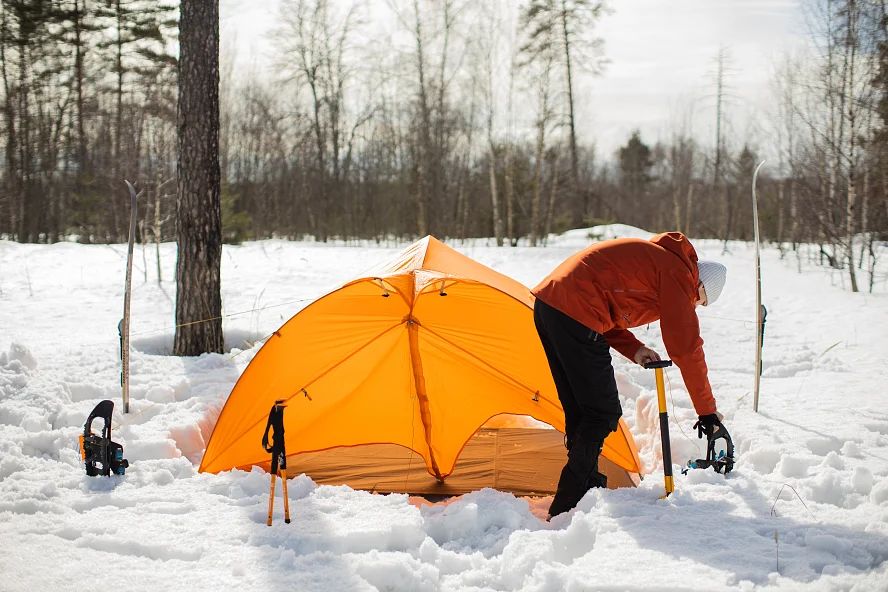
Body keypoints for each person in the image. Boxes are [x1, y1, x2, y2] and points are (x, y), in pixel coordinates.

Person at [532, 231, 730, 518]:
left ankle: (584, 489)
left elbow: (604, 303)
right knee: (602, 413)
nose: (695, 306)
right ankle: (570, 501)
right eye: (700, 302)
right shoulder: (678, 274)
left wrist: (634, 349)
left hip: (552, 306)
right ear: (700, 286)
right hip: (574, 310)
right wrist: (707, 412)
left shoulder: (662, 264)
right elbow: (687, 349)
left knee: (582, 411)